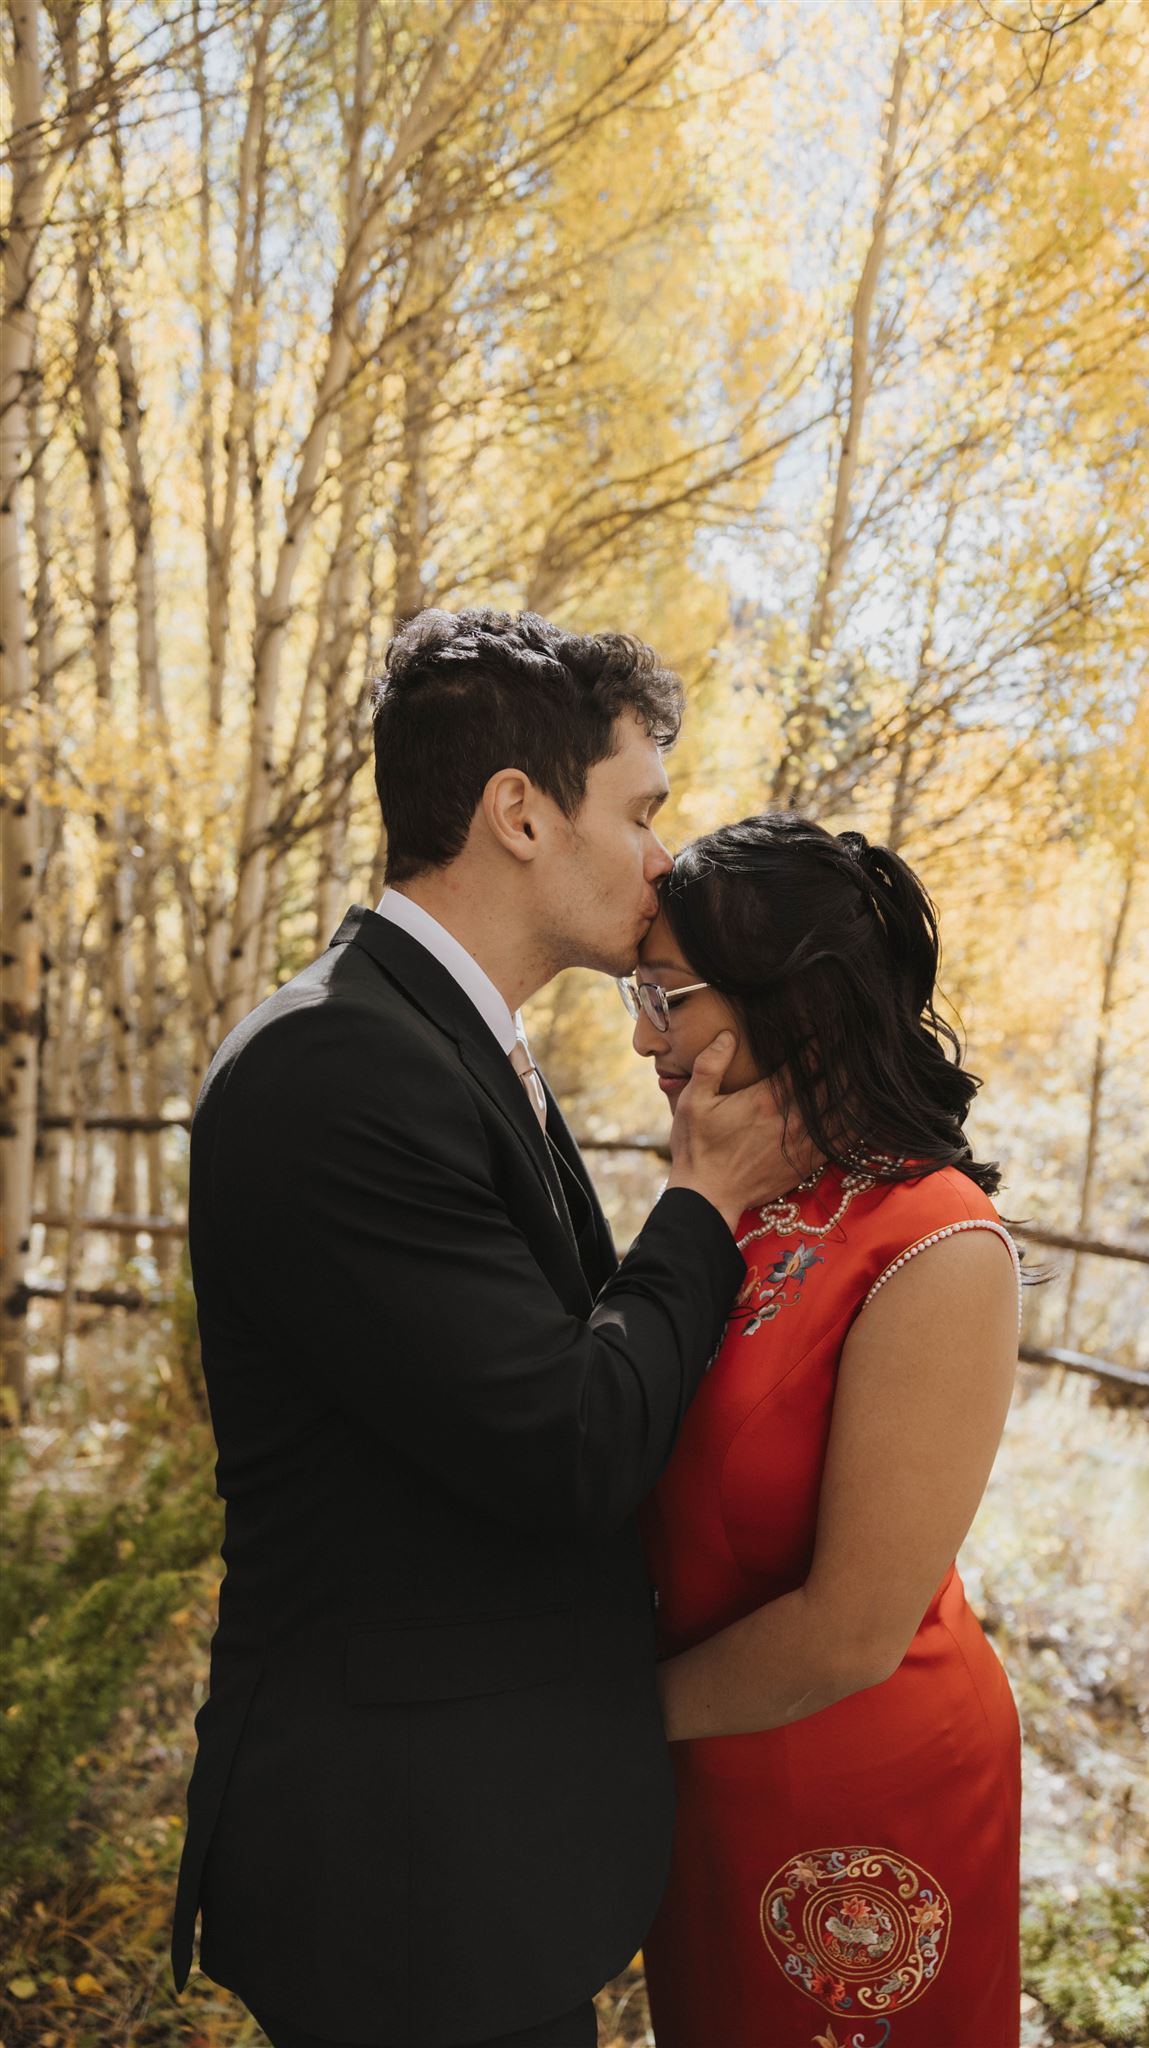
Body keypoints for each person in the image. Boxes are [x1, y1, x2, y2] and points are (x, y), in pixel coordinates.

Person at [171, 610, 807, 2048]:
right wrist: (701, 1205)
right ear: (518, 811)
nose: (660, 856)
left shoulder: (444, 1045)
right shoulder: (339, 1064)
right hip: (402, 1883)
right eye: (640, 807)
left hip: (476, 1858)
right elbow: (566, 1441)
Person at [620, 812, 1022, 2048]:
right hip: (701, 1762)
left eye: (666, 996)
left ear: (791, 1000)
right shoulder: (733, 1186)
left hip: (856, 1788)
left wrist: (592, 1716)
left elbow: (851, 1630)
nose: (644, 1036)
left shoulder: (939, 1242)